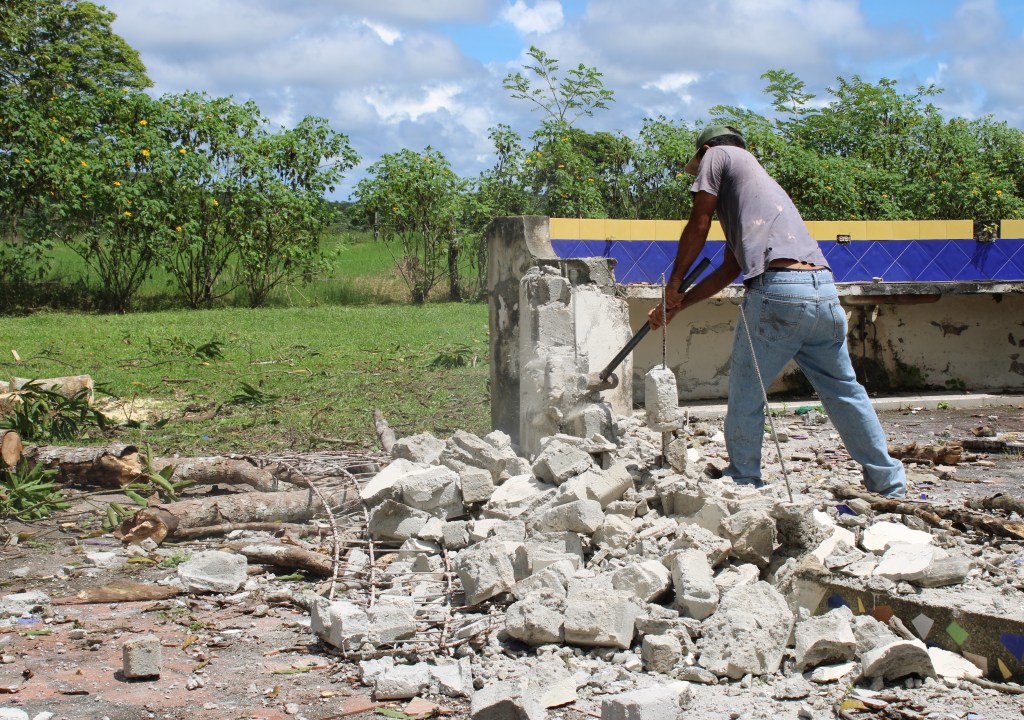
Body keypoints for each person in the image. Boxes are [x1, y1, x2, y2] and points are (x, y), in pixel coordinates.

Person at [649, 124, 906, 498]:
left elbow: (698, 222)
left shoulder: (718, 155)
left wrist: (673, 283)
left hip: (779, 293)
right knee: (844, 391)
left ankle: (743, 479)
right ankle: (889, 484)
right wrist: (678, 307)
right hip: (822, 291)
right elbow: (729, 269)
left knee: (747, 390)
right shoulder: (758, 194)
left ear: (706, 151)